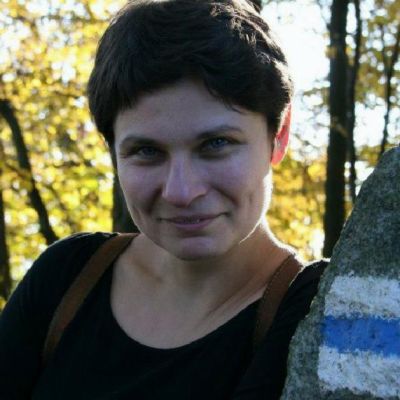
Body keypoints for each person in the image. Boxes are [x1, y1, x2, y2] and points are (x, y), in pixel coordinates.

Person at [0, 0, 327, 399]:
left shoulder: (318, 310)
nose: (181, 192)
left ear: (280, 134)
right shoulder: (67, 278)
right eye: (147, 151)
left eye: (216, 144)